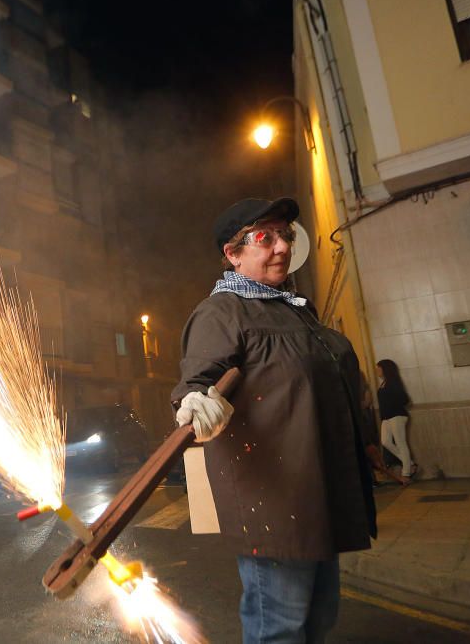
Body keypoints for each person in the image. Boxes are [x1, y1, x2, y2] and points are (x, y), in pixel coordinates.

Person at [172, 197, 376, 644]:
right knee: (279, 629)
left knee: (318, 620)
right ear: (233, 253)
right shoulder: (222, 312)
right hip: (274, 503)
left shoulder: (295, 309)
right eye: (265, 237)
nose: (281, 246)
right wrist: (192, 402)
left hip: (315, 493)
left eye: (286, 235)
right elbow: (196, 382)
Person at [377, 359, 416, 480]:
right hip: (387, 417)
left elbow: (404, 399)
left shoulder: (393, 382)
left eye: (379, 368)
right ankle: (409, 463)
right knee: (385, 442)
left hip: (397, 416)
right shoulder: (383, 383)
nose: (377, 370)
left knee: (400, 443)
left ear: (385, 369)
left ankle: (406, 473)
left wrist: (392, 404)